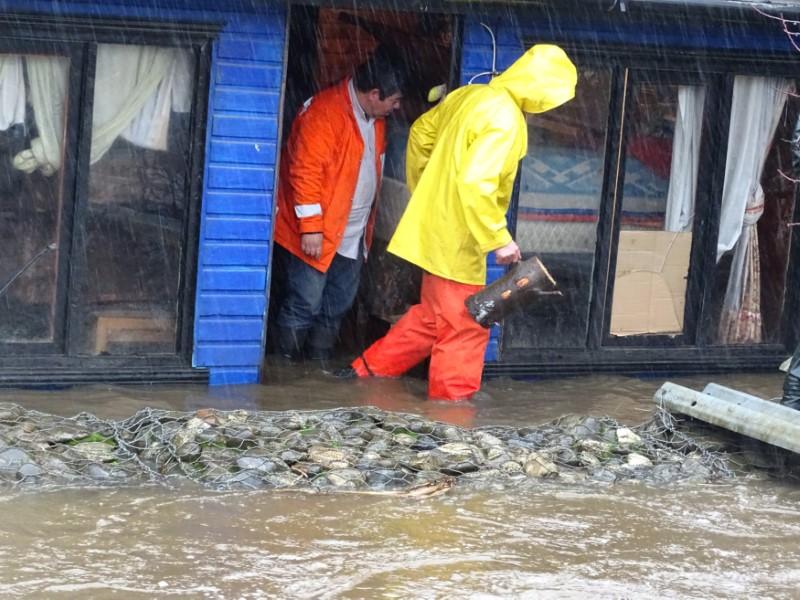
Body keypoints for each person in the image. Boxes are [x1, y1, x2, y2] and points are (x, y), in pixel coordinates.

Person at [335, 44, 578, 401]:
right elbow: (476, 184)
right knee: (466, 325)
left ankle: (364, 375)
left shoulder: (470, 95)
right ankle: (451, 413)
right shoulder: (507, 120)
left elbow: (420, 134)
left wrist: (428, 191)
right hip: (458, 240)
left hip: (433, 231)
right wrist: (498, 238)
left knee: (431, 318)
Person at [271, 50, 404, 364]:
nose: (397, 107)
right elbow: (304, 173)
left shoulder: (376, 118)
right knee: (305, 303)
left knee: (337, 304)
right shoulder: (324, 113)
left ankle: (318, 368)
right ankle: (283, 366)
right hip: (316, 231)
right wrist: (311, 229)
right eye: (394, 100)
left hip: (352, 232)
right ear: (374, 94)